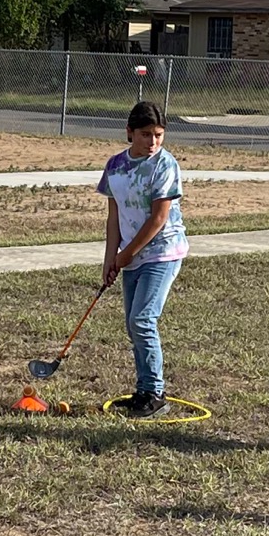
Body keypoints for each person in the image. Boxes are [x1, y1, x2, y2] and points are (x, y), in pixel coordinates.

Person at [97, 100, 187, 417]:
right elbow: (114, 217)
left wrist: (127, 254)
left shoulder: (165, 166)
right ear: (129, 133)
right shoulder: (115, 166)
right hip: (130, 255)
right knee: (131, 324)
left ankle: (155, 393)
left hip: (163, 252)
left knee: (142, 320)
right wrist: (111, 258)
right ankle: (142, 390)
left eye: (159, 135)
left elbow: (158, 218)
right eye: (146, 134)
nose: (153, 143)